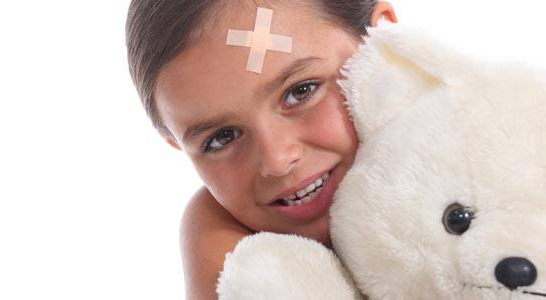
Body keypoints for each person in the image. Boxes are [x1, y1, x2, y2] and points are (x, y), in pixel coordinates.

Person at [126, 0, 398, 298]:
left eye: (301, 91)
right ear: (178, 146)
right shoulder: (233, 261)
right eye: (222, 137)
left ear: (381, 36)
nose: (277, 160)